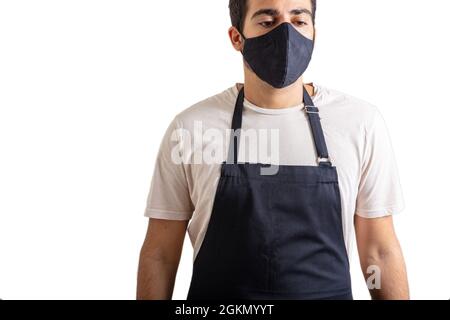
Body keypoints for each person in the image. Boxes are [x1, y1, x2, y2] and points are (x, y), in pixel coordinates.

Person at [137, 0, 409, 300]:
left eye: (299, 21)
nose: (286, 34)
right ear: (236, 38)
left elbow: (378, 254)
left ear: (314, 33)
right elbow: (160, 253)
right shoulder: (190, 128)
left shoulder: (360, 123)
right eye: (268, 22)